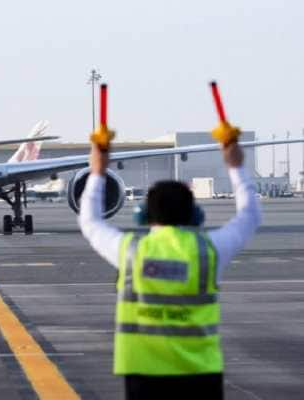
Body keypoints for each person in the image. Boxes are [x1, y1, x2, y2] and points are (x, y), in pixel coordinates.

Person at [79, 141, 261, 400]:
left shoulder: (131, 252)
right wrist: (236, 165)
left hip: (143, 373)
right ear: (196, 215)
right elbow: (250, 216)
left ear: (143, 216)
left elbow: (89, 221)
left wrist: (97, 171)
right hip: (200, 373)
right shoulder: (208, 251)